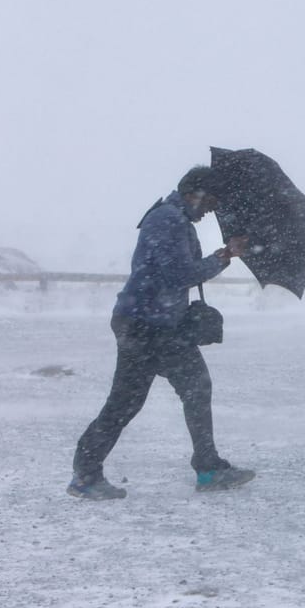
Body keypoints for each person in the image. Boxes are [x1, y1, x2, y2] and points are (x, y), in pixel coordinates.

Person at [68, 166, 254, 500]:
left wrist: (225, 254)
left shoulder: (175, 219)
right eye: (209, 201)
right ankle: (207, 469)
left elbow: (176, 274)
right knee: (163, 394)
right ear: (192, 193)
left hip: (154, 324)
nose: (210, 209)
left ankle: (87, 472)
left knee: (141, 399)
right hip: (147, 326)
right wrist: (223, 256)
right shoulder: (167, 219)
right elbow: (177, 274)